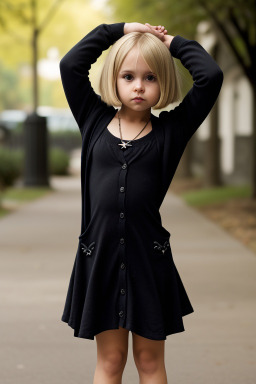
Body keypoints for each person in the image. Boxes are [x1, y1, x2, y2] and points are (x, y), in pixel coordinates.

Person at [59, 22, 223, 383]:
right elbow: (71, 65)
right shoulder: (92, 118)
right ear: (114, 80)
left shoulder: (170, 132)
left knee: (149, 362)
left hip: (148, 260)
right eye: (128, 76)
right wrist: (119, 30)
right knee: (111, 360)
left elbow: (210, 76)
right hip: (99, 257)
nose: (138, 86)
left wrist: (170, 42)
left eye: (150, 77)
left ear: (163, 82)